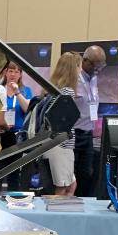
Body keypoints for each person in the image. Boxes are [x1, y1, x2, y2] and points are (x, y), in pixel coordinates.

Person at [0, 61, 36, 192]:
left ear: (20, 74)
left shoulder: (25, 91)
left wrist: (17, 93)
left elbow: (28, 109)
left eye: (17, 72)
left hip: (17, 136)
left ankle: (14, 199)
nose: (13, 74)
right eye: (10, 71)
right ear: (5, 72)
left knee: (14, 172)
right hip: (0, 134)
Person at [46, 52, 81, 195]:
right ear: (74, 68)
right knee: (63, 187)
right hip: (62, 144)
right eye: (79, 66)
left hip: (52, 142)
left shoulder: (52, 89)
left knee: (70, 185)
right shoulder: (67, 92)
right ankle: (59, 209)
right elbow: (65, 121)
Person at [73, 45, 105, 196]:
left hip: (88, 135)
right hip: (74, 134)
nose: (97, 70)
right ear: (85, 61)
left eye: (101, 67)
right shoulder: (74, 79)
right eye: (95, 66)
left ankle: (83, 205)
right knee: (71, 177)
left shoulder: (94, 79)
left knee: (86, 175)